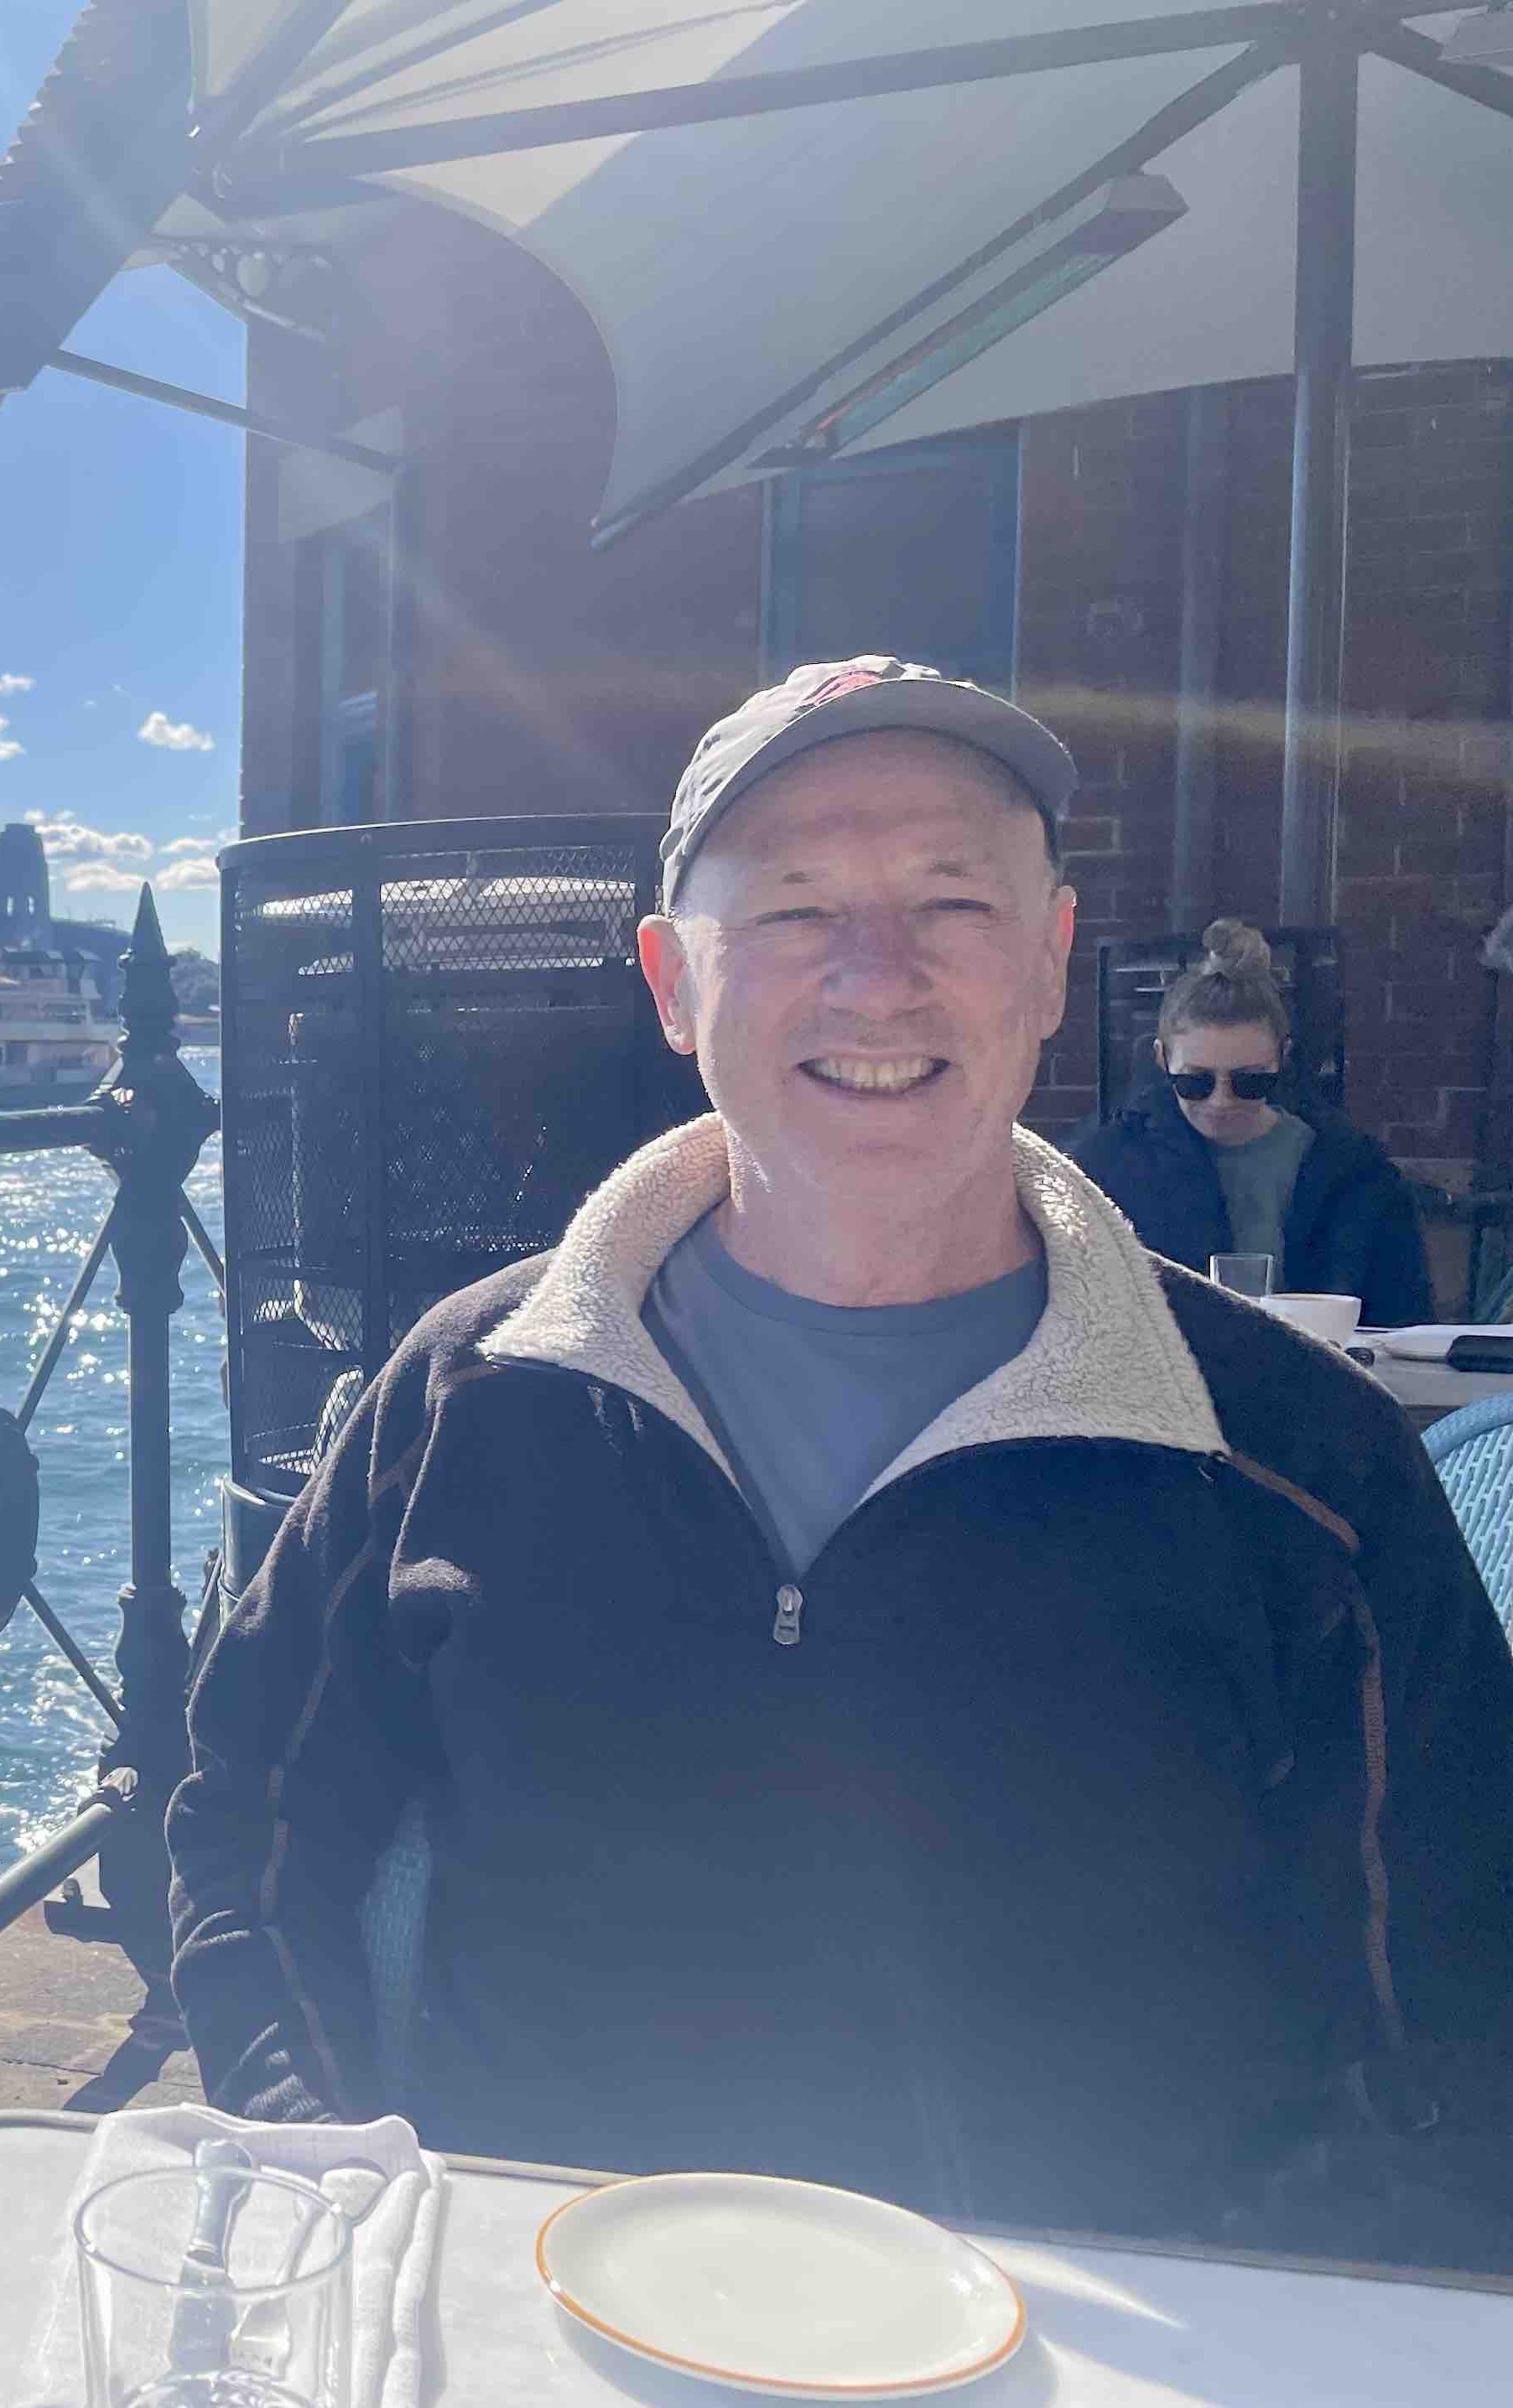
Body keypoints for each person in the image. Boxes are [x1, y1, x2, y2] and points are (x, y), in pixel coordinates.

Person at [169, 656, 1513, 2264]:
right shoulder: (467, 1393)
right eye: (795, 908)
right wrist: (337, 2191)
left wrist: (1234, 2350)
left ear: (1047, 963)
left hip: (1106, 2405)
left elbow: (1462, 2005)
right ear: (671, 983)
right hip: (543, 2350)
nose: (877, 979)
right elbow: (247, 1822)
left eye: (952, 902)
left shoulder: (1303, 1464)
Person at [1067, 919, 1432, 1323]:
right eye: (1194, 1082)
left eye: (1251, 1080)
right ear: (1161, 1059)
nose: (1221, 1101)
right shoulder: (1106, 1167)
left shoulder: (1355, 1173)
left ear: (1283, 1058)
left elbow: (1402, 1319)